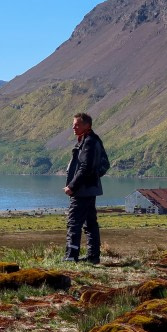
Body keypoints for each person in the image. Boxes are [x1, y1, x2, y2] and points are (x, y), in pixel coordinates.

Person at [63, 112, 104, 263]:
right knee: (90, 223)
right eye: (73, 124)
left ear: (87, 125)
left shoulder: (89, 142)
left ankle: (70, 256)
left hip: (82, 190)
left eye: (77, 124)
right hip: (89, 188)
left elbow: (85, 167)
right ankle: (93, 256)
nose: (73, 127)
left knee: (74, 222)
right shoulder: (89, 140)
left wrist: (72, 186)